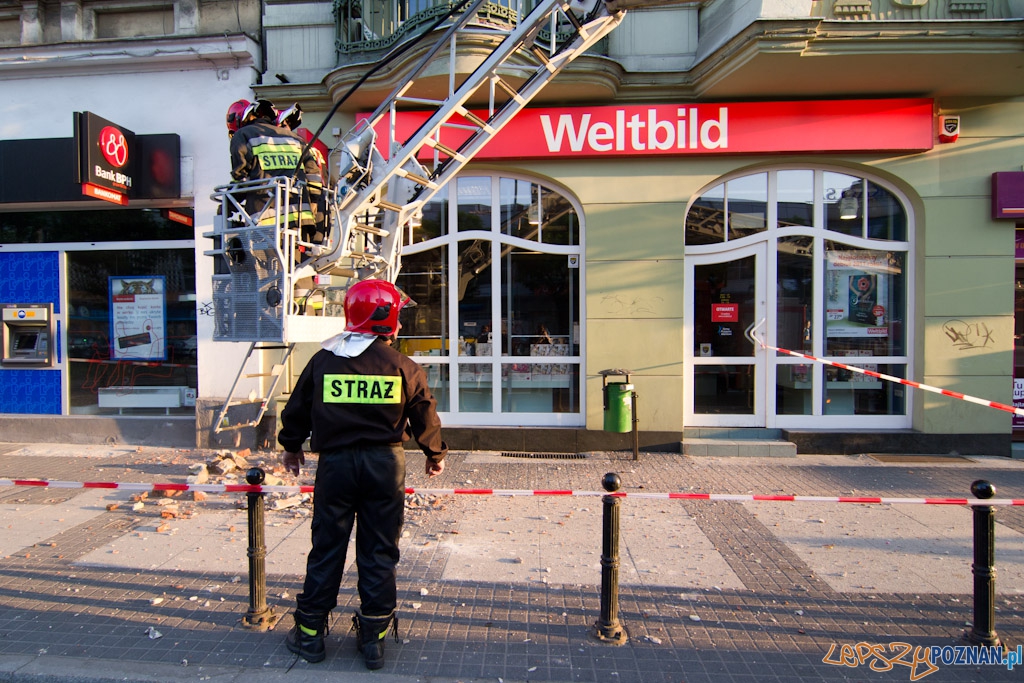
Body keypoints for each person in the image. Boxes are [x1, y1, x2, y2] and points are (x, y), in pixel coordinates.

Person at [278, 279, 447, 670]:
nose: (401, 326)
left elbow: (297, 408)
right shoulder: (404, 367)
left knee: (327, 548)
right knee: (378, 552)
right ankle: (373, 639)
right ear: (385, 319)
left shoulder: (324, 360)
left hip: (335, 467)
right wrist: (434, 454)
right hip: (385, 467)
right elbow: (425, 414)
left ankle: (309, 636)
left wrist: (291, 447)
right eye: (398, 318)